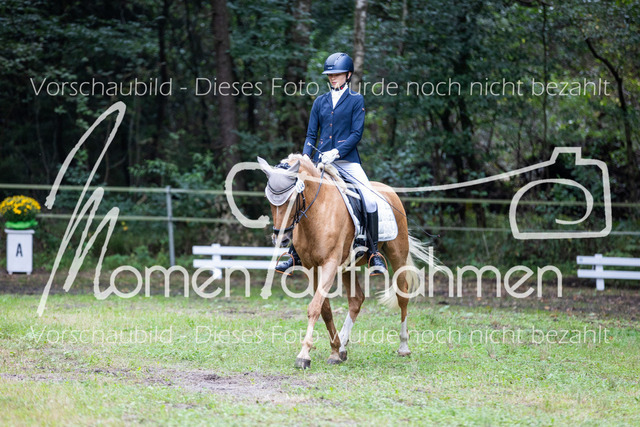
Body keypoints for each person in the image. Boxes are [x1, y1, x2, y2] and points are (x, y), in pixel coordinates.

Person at [276, 52, 387, 276]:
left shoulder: (356, 100)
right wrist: (305, 160)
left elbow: (356, 134)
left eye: (337, 74)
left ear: (348, 75)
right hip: (320, 164)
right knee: (299, 196)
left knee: (370, 199)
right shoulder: (320, 102)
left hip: (347, 162)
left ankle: (374, 253)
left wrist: (336, 152)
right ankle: (293, 253)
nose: (333, 78)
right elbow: (311, 135)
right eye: (330, 75)